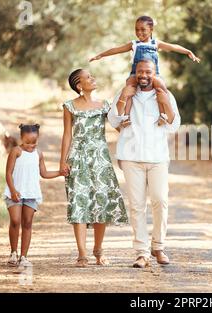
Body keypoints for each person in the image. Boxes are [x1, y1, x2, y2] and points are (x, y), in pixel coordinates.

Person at [108, 59, 181, 268]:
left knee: (160, 200)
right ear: (135, 73)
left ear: (154, 73)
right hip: (131, 157)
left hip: (158, 157)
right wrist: (123, 96)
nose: (144, 75)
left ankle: (158, 246)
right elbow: (114, 122)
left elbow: (174, 125)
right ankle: (141, 252)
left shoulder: (165, 95)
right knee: (137, 206)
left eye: (148, 72)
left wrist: (165, 102)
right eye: (140, 71)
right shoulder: (126, 93)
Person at [60, 69, 128, 267]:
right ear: (79, 85)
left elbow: (119, 126)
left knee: (101, 202)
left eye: (92, 76)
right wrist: (63, 161)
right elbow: (67, 135)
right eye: (88, 77)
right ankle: (82, 253)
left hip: (100, 159)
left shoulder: (104, 105)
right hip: (78, 158)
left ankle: (98, 250)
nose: (93, 78)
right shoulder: (69, 106)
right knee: (78, 202)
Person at [90, 15, 199, 127]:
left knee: (161, 87)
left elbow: (173, 47)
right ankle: (126, 116)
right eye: (137, 29)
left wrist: (188, 51)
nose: (139, 32)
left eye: (143, 30)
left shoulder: (156, 43)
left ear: (151, 30)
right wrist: (101, 55)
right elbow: (117, 49)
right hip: (135, 74)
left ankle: (163, 115)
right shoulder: (134, 44)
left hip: (153, 74)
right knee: (129, 88)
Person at [4, 123, 61, 268]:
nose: (31, 145)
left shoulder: (39, 154)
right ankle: (13, 252)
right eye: (27, 142)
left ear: (38, 138)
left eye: (34, 142)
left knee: (28, 223)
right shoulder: (16, 151)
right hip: (15, 192)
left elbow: (44, 173)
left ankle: (23, 256)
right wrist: (13, 190)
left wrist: (60, 173)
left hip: (31, 193)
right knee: (16, 221)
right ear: (21, 138)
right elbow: (8, 173)